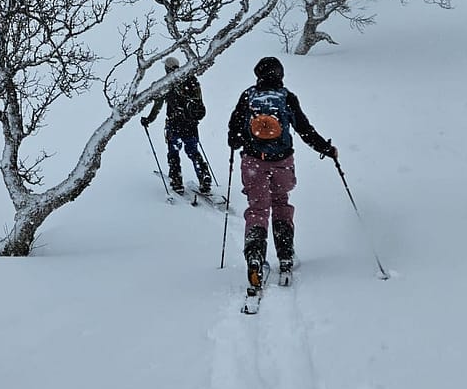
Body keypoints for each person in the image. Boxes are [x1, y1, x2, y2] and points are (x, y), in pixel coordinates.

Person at [226, 56, 336, 293]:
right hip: (282, 162)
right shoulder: (286, 97)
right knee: (281, 204)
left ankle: (255, 259)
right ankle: (285, 256)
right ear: (280, 74)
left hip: (253, 162)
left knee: (257, 210)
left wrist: (240, 141)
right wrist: (326, 149)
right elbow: (304, 130)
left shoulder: (248, 97)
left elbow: (233, 134)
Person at [142, 56, 211, 196]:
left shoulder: (167, 84)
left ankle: (177, 181)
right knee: (193, 151)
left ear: (167, 68)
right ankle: (204, 177)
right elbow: (199, 102)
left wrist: (148, 120)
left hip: (174, 124)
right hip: (191, 124)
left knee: (174, 153)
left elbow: (158, 107)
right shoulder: (191, 80)